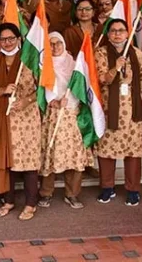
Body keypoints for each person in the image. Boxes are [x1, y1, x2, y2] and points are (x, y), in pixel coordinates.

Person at [0, 23, 41, 221]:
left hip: (27, 120)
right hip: (4, 119)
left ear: (19, 39)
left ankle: (31, 203)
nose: (7, 43)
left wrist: (26, 100)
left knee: (28, 162)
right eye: (3, 39)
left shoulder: (30, 60)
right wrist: (2, 91)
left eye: (11, 38)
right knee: (5, 161)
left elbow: (42, 88)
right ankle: (8, 200)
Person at [94, 18, 142, 206]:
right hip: (110, 110)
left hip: (133, 111)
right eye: (113, 31)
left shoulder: (138, 54)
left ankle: (133, 190)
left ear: (127, 33)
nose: (117, 34)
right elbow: (101, 79)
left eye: (121, 30)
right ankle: (107, 187)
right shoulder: (100, 53)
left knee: (133, 151)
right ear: (108, 34)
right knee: (106, 150)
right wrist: (115, 68)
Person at [38, 33, 92, 210]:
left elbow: (81, 87)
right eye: (51, 44)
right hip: (53, 116)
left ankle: (72, 194)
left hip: (72, 115)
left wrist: (70, 101)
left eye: (58, 43)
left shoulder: (74, 64)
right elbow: (42, 85)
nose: (55, 47)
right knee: (50, 153)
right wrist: (52, 99)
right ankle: (46, 193)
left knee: (74, 156)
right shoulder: (44, 64)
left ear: (64, 43)